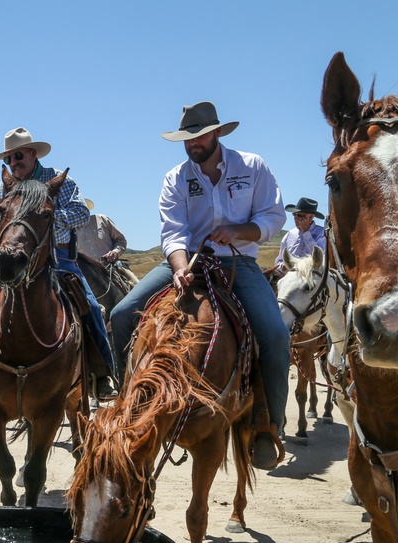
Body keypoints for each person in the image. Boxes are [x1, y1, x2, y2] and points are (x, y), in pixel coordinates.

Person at [109, 101, 289, 471]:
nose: (193, 144)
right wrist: (177, 268)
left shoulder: (251, 167)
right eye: (187, 139)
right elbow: (173, 231)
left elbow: (273, 217)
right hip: (187, 259)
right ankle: (125, 404)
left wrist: (238, 231)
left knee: (275, 334)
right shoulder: (176, 177)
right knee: (122, 313)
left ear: (217, 133)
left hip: (239, 263)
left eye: (199, 136)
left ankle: (270, 425)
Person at [0, 127, 116, 399]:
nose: (13, 163)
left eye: (17, 156)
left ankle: (102, 373)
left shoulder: (59, 180)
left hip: (59, 258)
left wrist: (44, 216)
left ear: (32, 153)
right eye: (8, 160)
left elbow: (82, 214)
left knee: (91, 305)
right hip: (15, 259)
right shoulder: (4, 186)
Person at [77, 198, 139, 286]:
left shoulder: (101, 219)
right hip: (90, 275)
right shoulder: (70, 231)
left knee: (136, 285)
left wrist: (115, 252)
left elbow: (120, 240)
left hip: (113, 266)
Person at [275, 196, 327, 271]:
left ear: (311, 217)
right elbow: (279, 260)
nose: (296, 218)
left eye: (300, 215)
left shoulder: (322, 233)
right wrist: (281, 266)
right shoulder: (290, 234)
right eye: (294, 215)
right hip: (289, 276)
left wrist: (305, 232)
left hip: (312, 277)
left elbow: (321, 257)